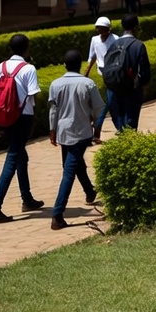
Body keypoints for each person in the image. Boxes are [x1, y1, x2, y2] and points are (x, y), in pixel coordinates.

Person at [0, 34, 44, 224]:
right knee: (12, 159)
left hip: (4, 117)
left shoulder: (0, 67)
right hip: (22, 118)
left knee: (21, 156)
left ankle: (27, 199)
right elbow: (33, 96)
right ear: (26, 49)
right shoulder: (28, 68)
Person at [48, 49, 104, 230]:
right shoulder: (87, 83)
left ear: (64, 65)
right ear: (80, 65)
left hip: (64, 132)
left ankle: (89, 191)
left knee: (72, 165)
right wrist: (97, 127)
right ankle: (57, 214)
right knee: (69, 171)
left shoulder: (55, 84)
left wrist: (52, 129)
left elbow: (53, 111)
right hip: (81, 132)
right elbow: (98, 108)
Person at [110, 13, 150, 131]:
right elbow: (144, 71)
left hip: (115, 88)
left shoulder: (114, 44)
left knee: (120, 123)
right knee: (131, 123)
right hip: (132, 89)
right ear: (135, 27)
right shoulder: (138, 45)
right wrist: (143, 85)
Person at [85, 15, 118, 133]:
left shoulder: (115, 39)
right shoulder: (95, 40)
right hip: (102, 73)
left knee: (110, 102)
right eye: (98, 28)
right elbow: (92, 56)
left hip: (113, 73)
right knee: (110, 102)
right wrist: (87, 72)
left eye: (103, 28)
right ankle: (117, 127)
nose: (100, 31)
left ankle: (99, 127)